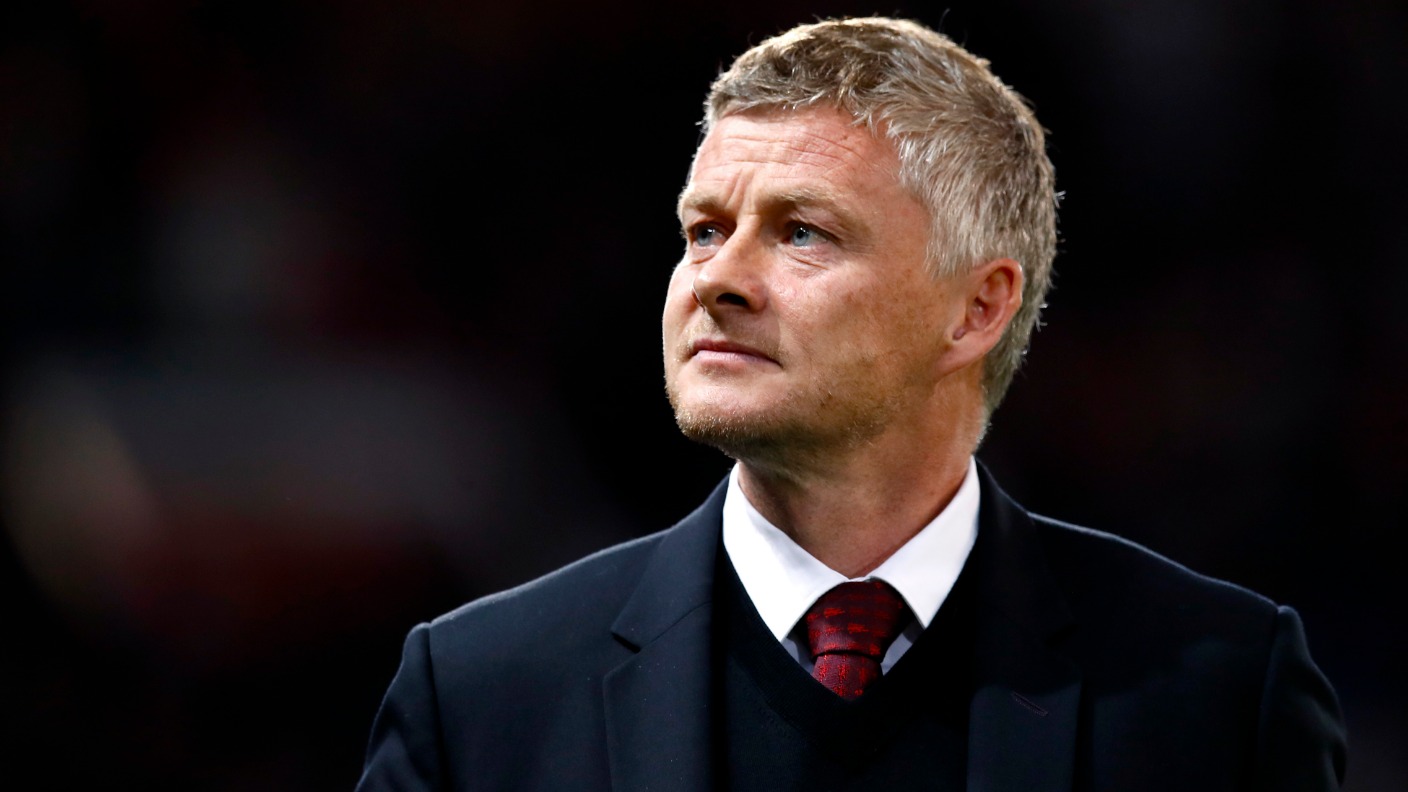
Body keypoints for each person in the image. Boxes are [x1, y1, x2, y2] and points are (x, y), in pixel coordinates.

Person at [356, 17, 1347, 791]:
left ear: (976, 308)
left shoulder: (1219, 690)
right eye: (704, 231)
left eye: (803, 232)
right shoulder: (481, 694)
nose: (718, 279)